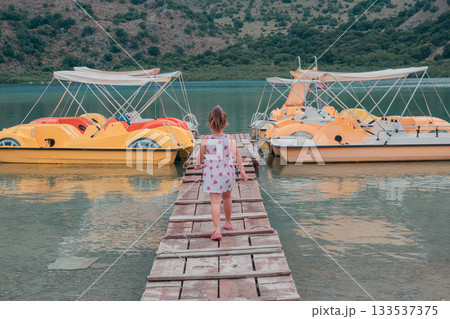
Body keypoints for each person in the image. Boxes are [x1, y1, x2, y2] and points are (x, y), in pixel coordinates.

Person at [195, 105, 248, 240]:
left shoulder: (207, 140)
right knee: (227, 198)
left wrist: (197, 165)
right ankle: (228, 223)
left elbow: (200, 156)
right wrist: (242, 170)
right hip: (227, 173)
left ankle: (217, 230)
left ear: (209, 124)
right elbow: (237, 155)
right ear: (225, 124)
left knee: (215, 202)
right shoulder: (230, 139)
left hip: (213, 174)